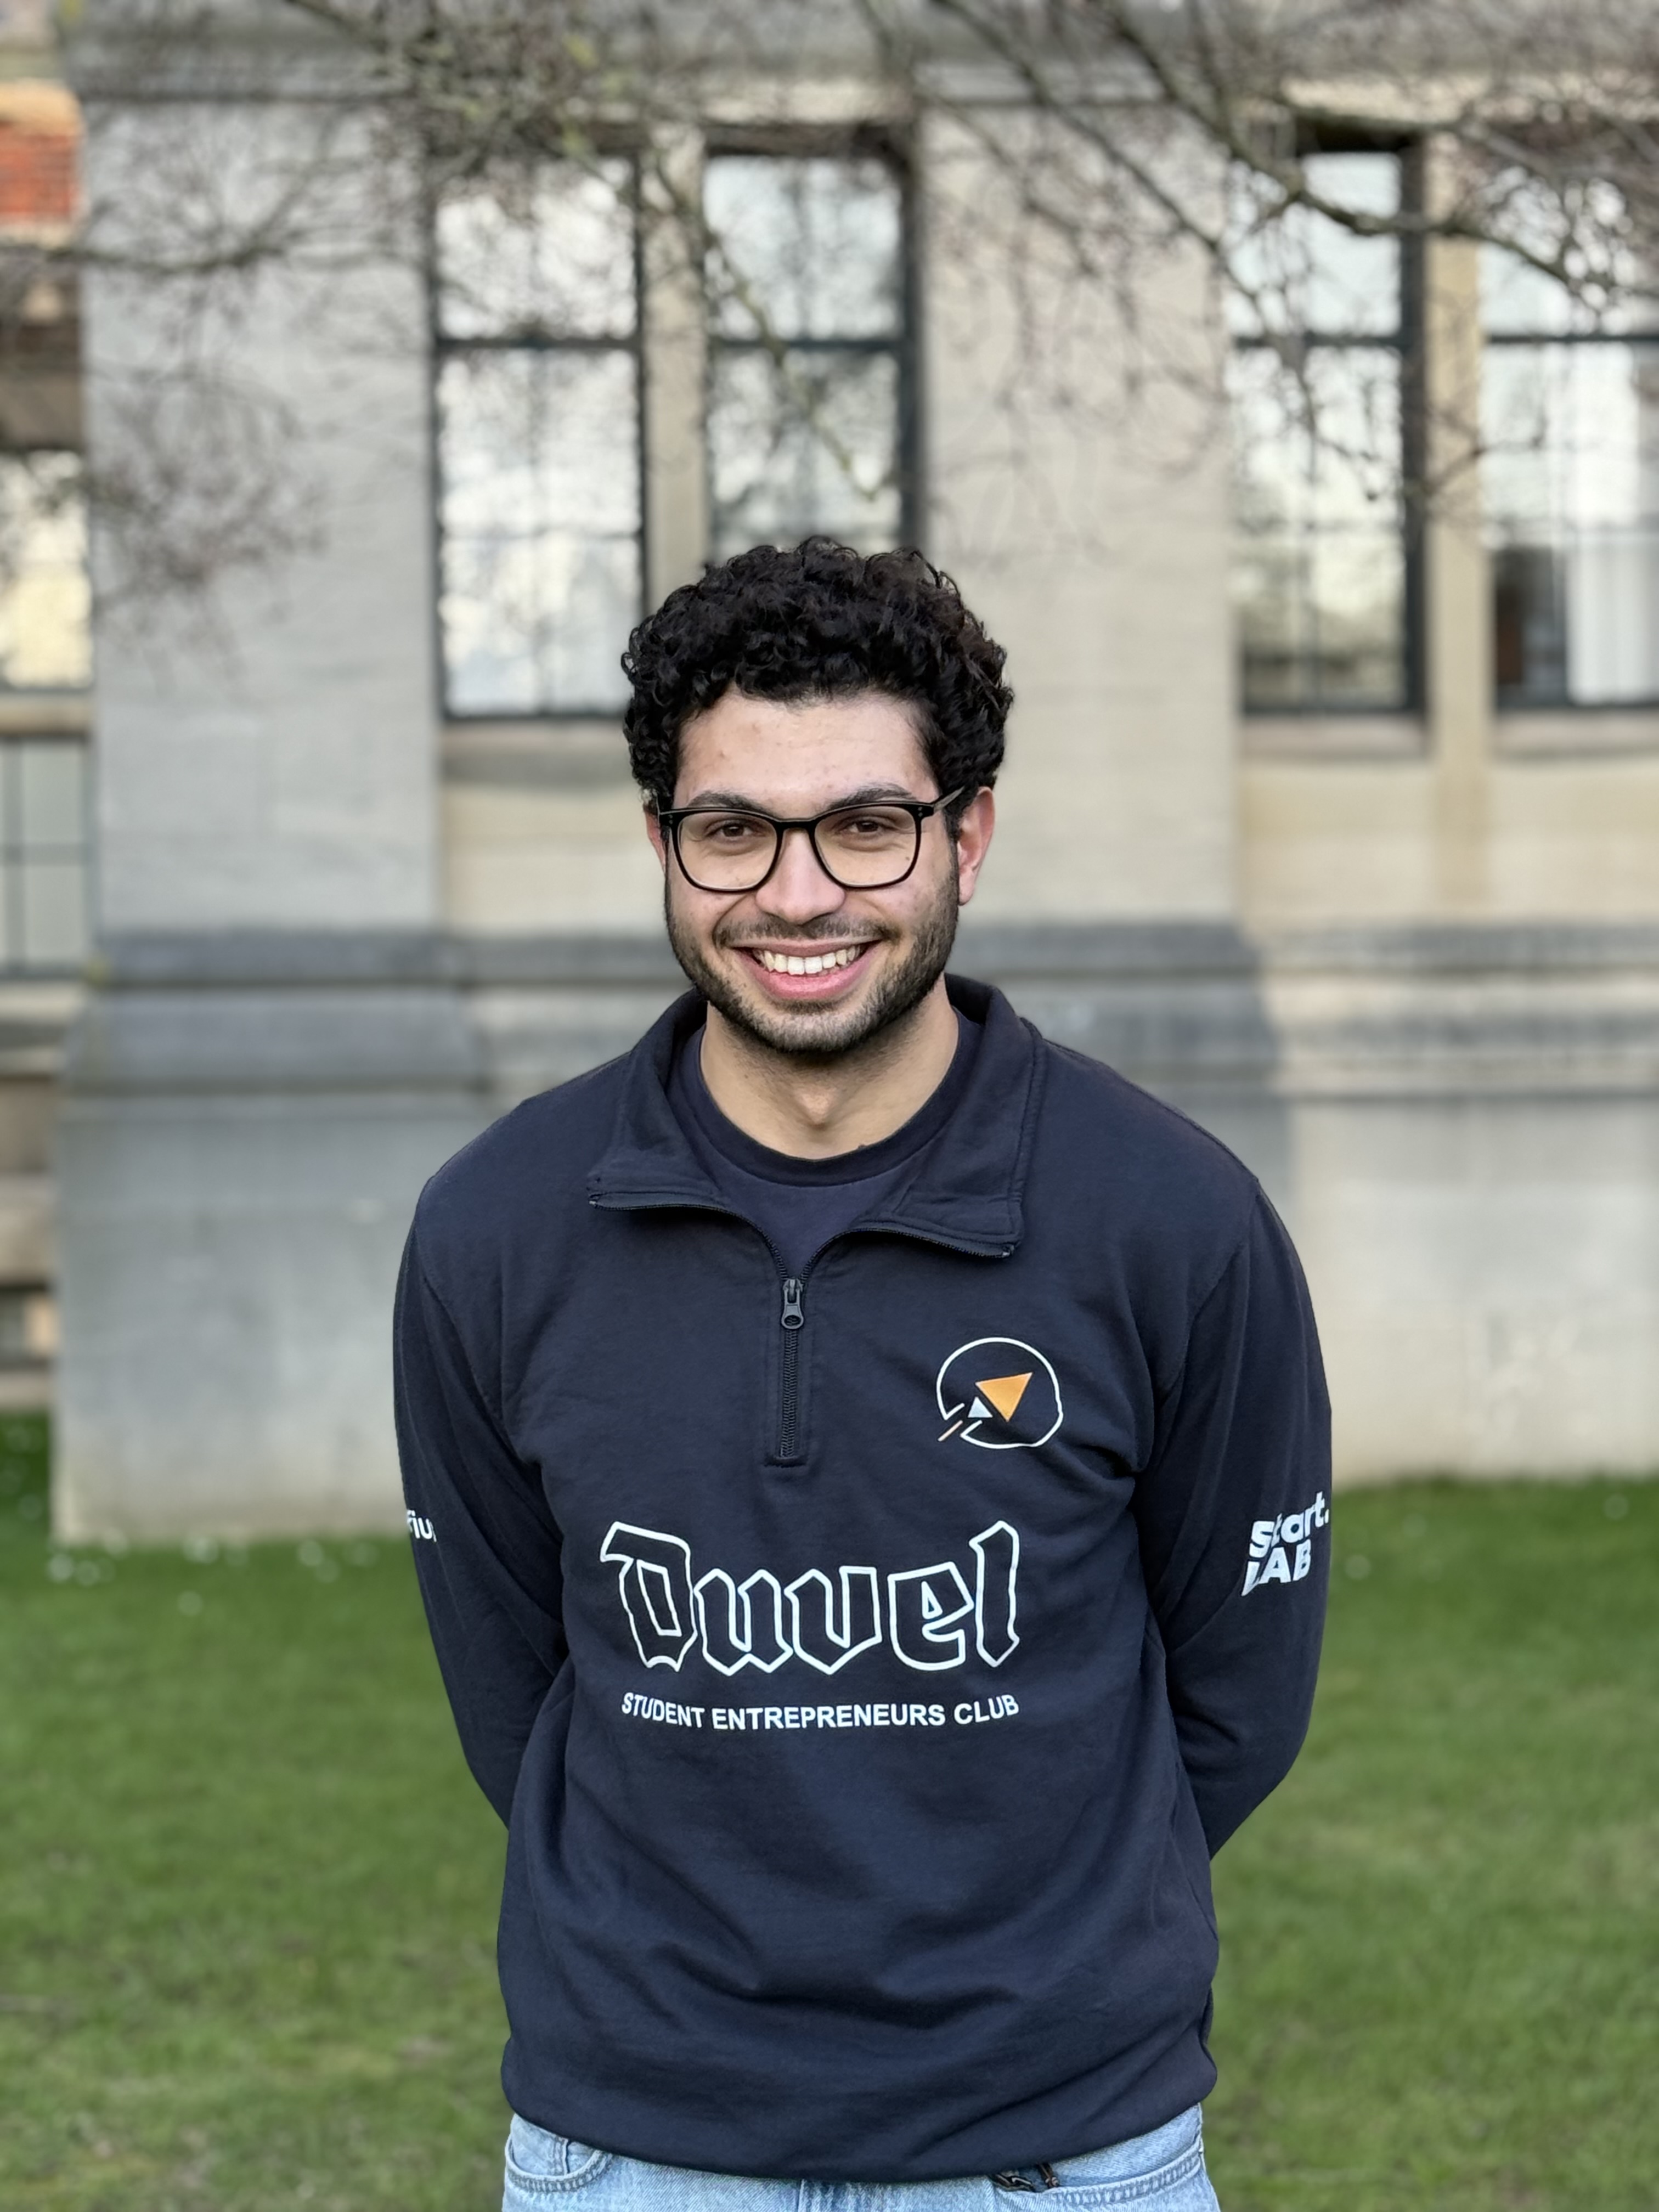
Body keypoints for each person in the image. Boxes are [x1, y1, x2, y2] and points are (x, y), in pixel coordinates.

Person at [393, 539, 1330, 2211]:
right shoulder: (496, 1234)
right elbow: (511, 1688)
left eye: (867, 826)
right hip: (636, 2146)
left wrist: (1040, 1937)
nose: (799, 892)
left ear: (964, 832)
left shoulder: (1171, 1220)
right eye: (734, 828)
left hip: (1063, 2146)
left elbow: (1238, 1692)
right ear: (666, 847)